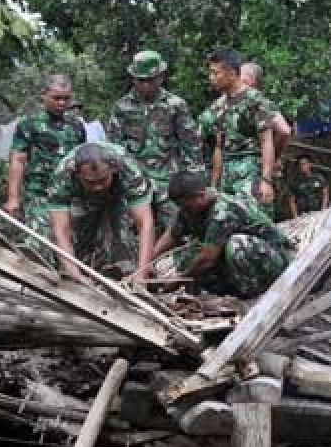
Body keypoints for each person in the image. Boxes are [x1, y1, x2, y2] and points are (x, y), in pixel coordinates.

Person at [154, 171, 293, 298]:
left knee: (237, 244)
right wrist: (149, 261)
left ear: (200, 195)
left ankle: (254, 295)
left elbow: (207, 259)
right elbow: (172, 235)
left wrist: (179, 280)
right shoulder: (190, 209)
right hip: (243, 262)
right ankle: (227, 288)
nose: (184, 211)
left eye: (186, 207)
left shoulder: (222, 211)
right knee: (186, 255)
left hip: (275, 259)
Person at [108, 50, 201, 233]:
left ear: (160, 77)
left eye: (150, 80)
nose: (145, 86)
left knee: (178, 230)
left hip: (169, 182)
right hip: (134, 182)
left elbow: (191, 144)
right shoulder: (122, 108)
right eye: (140, 80)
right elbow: (114, 148)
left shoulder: (175, 105)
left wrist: (192, 180)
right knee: (128, 232)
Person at [44, 142, 156, 283]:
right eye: (91, 182)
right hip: (82, 198)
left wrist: (142, 273)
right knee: (80, 238)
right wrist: (73, 272)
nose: (98, 187)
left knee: (122, 233)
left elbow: (145, 224)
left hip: (117, 193)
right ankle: (85, 274)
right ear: (77, 175)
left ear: (113, 170)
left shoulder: (127, 168)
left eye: (103, 180)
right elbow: (61, 229)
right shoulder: (63, 175)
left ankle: (125, 273)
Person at [6, 75, 86, 250]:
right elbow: (18, 160)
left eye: (66, 98)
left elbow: (82, 161)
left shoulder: (76, 125)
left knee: (69, 246)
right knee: (38, 244)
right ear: (44, 95)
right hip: (39, 195)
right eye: (56, 98)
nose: (62, 103)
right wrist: (13, 198)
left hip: (68, 196)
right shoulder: (29, 123)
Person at [202, 49, 280, 217]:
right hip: (227, 173)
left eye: (216, 73)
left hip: (250, 170)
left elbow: (267, 141)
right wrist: (214, 186)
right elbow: (219, 147)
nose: (211, 78)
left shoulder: (255, 100)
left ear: (231, 74)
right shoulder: (219, 106)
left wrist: (266, 180)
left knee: (254, 220)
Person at [240, 62, 292, 161]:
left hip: (251, 167)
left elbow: (285, 131)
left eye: (240, 75)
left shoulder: (262, 104)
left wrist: (272, 158)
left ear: (250, 80)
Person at [286, 154, 330, 218]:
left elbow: (325, 194)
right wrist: (295, 216)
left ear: (310, 164)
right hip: (303, 214)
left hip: (318, 212)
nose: (302, 166)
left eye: (304, 164)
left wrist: (323, 210)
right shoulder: (295, 182)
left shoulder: (319, 178)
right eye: (300, 164)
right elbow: (291, 201)